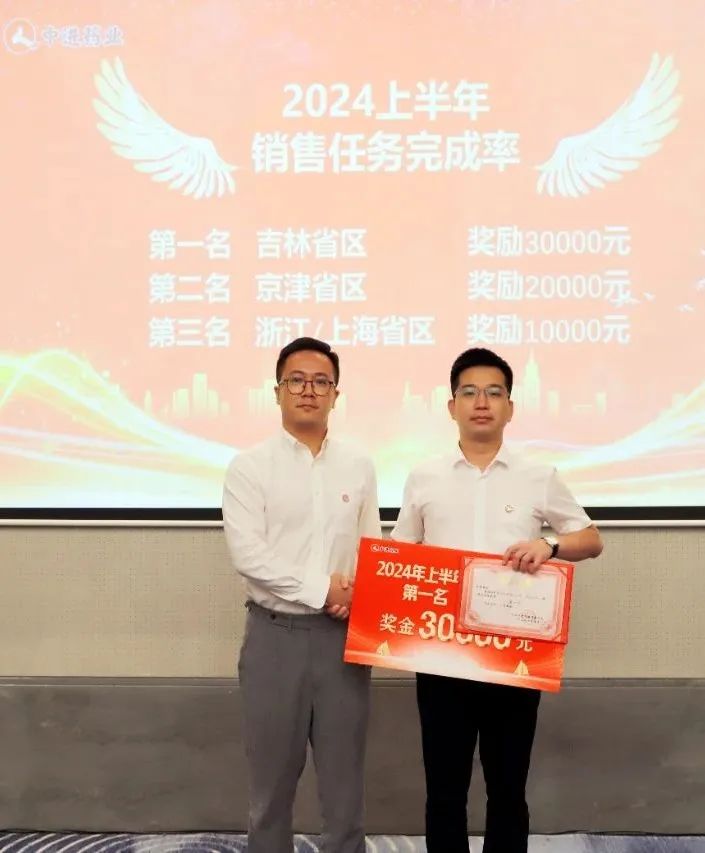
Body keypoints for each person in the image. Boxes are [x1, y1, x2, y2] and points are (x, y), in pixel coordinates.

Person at [391, 347, 603, 853]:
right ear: (452, 407)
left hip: (514, 655)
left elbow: (591, 539)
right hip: (442, 653)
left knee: (508, 787)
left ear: (510, 407)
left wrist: (549, 545)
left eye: (493, 392)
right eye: (469, 392)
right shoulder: (425, 476)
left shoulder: (538, 475)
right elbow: (399, 554)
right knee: (445, 789)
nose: (481, 402)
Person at [222, 336, 380, 853]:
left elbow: (371, 547)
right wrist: (323, 589)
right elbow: (250, 556)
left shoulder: (358, 466)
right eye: (297, 380)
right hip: (275, 639)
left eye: (321, 382)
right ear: (277, 392)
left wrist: (357, 594)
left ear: (336, 393)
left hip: (342, 640)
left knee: (344, 788)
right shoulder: (249, 467)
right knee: (271, 788)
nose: (309, 390)